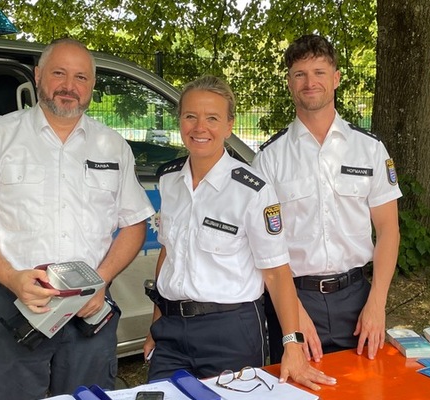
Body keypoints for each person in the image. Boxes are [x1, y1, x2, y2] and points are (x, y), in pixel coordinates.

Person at [0, 38, 154, 399]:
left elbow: (134, 225)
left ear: (92, 85)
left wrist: (101, 281)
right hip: (15, 305)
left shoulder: (113, 146)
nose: (69, 86)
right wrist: (12, 277)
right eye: (59, 73)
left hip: (90, 311)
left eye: (81, 77)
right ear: (38, 76)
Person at [142, 75, 335, 391]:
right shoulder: (169, 181)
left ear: (229, 126)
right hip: (171, 331)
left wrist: (292, 343)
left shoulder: (252, 190)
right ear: (180, 121)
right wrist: (155, 324)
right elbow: (169, 254)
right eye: (191, 116)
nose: (200, 127)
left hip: (229, 332)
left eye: (212, 118)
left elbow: (276, 274)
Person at [252, 34, 402, 362]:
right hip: (294, 301)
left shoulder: (370, 149)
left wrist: (377, 304)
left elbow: (388, 229)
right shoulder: (269, 159)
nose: (310, 82)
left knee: (364, 390)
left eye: (320, 72)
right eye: (300, 74)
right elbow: (263, 246)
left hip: (357, 300)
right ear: (289, 83)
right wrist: (294, 316)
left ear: (336, 79)